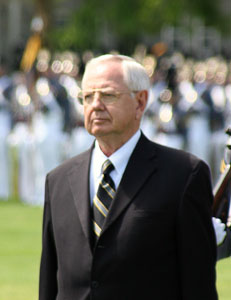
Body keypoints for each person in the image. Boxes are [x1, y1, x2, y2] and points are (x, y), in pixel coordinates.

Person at [39, 54, 218, 300]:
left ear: (140, 101)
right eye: (88, 97)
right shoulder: (58, 181)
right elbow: (49, 283)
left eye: (108, 95)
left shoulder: (184, 175)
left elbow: (198, 286)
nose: (96, 105)